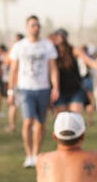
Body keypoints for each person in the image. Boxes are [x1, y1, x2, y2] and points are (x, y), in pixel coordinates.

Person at [7, 15, 59, 168]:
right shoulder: (19, 46)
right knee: (28, 121)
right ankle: (28, 154)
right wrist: (10, 91)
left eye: (37, 25)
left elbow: (53, 68)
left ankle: (36, 154)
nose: (35, 28)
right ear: (27, 28)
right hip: (25, 88)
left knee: (40, 124)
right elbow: (13, 69)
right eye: (32, 25)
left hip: (43, 88)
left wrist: (55, 86)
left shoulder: (47, 45)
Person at [50, 29, 97, 115]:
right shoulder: (51, 51)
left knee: (76, 119)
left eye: (61, 36)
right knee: (62, 122)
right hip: (60, 90)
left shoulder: (72, 49)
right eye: (56, 36)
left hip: (75, 89)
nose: (59, 39)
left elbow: (90, 62)